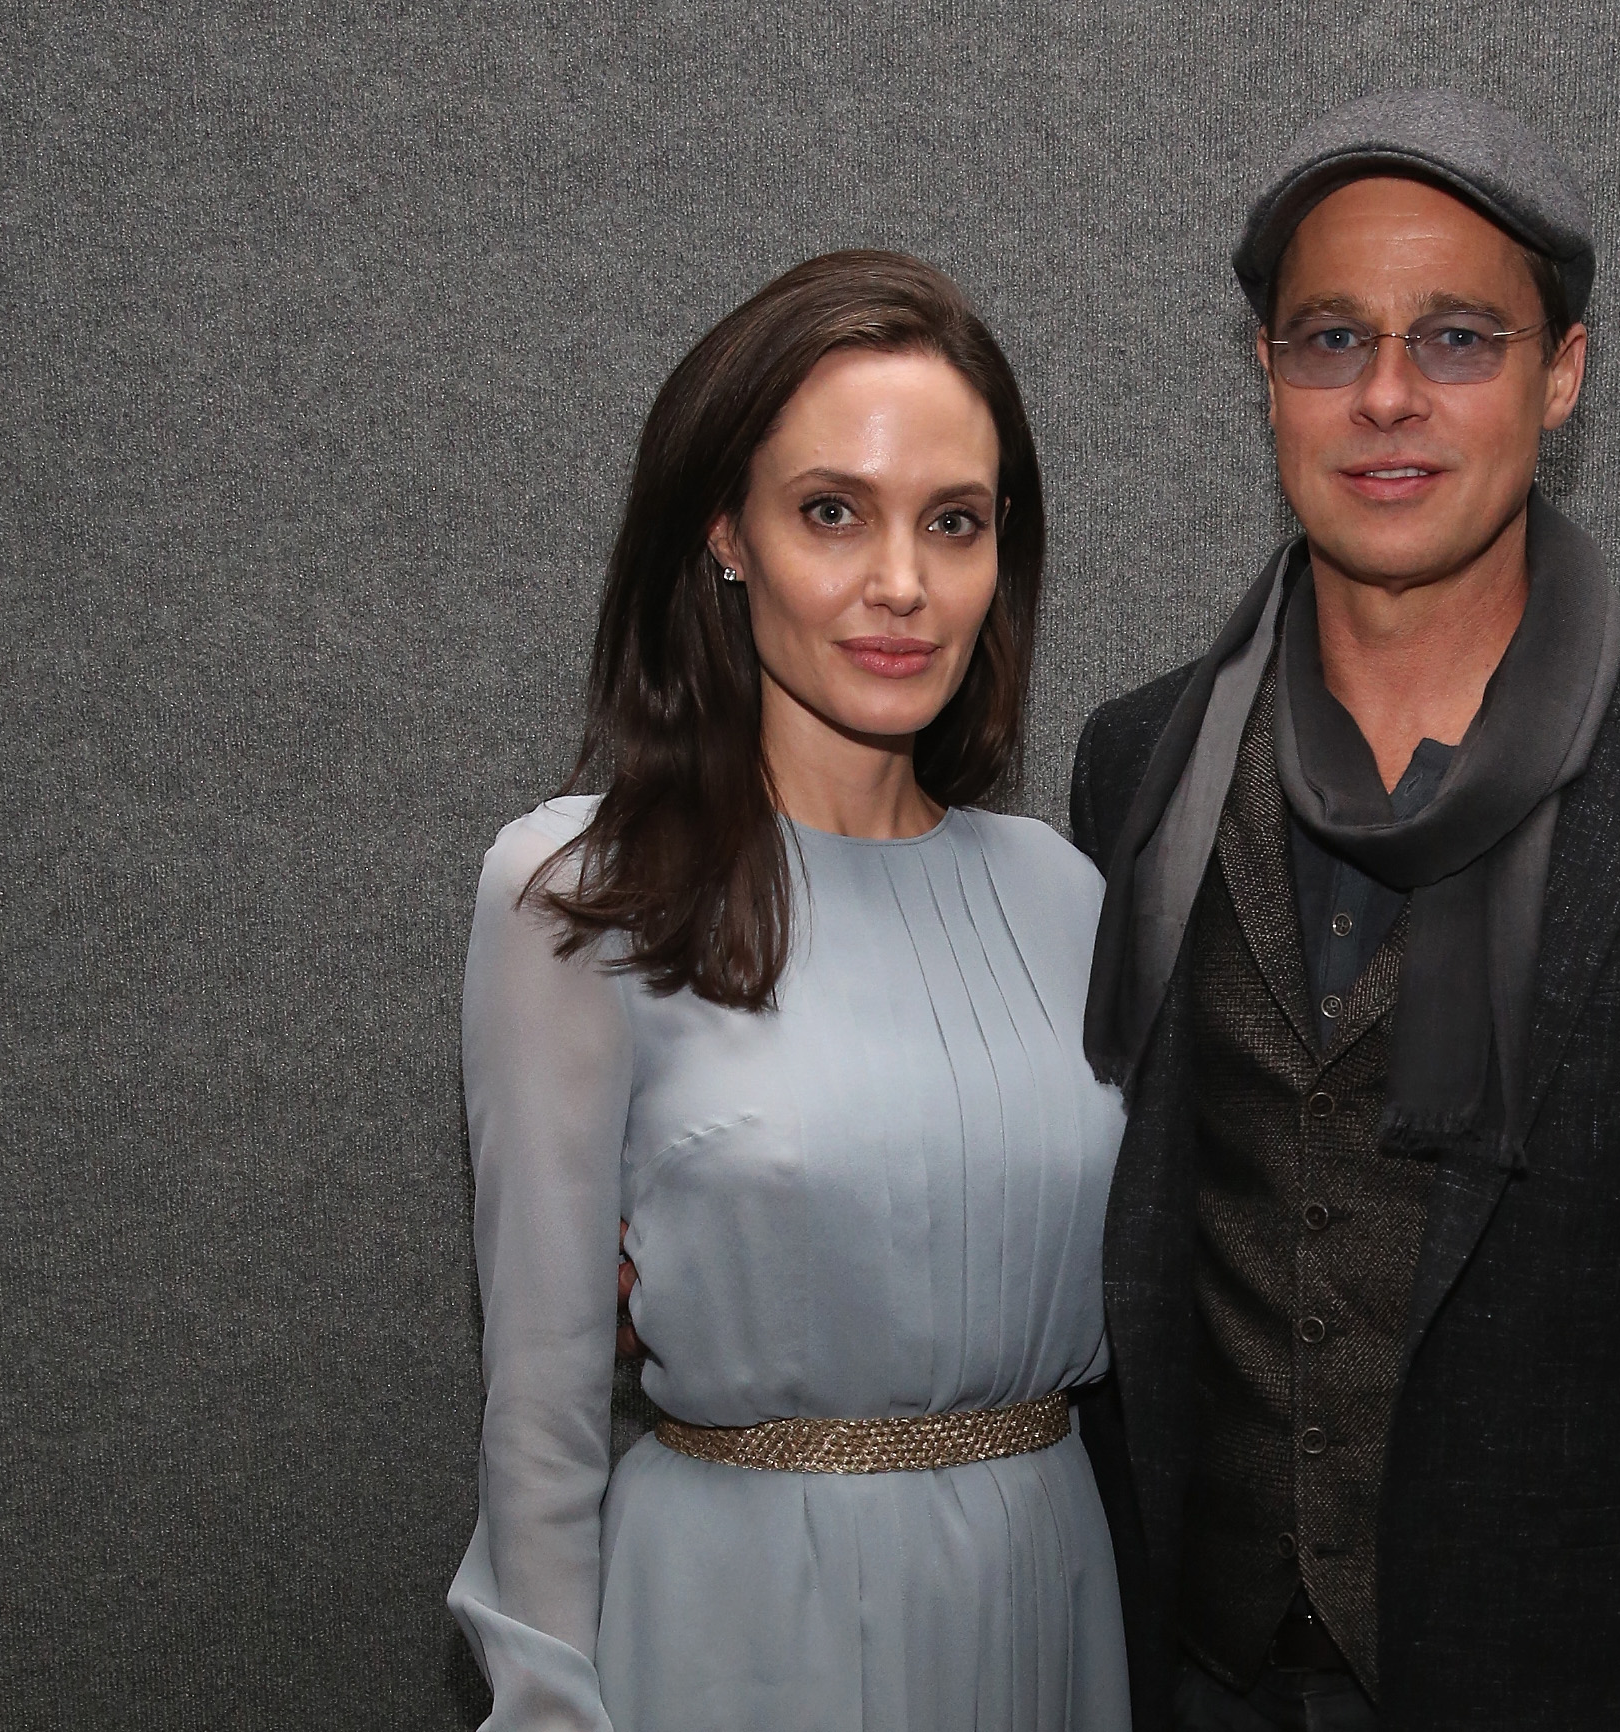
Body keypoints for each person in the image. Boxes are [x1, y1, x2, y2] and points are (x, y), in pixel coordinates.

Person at [1070, 92, 1620, 1730]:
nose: (1386, 396)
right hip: (1194, 1684)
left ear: (1564, 372)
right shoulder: (1138, 765)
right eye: (1330, 339)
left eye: (1458, 338)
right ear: (1264, 378)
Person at [449, 251, 1130, 1732]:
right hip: (740, 1632)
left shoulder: (1068, 895)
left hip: (1052, 1611)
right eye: (834, 511)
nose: (902, 584)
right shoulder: (577, 893)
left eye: (954, 523)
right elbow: (544, 1414)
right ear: (726, 536)